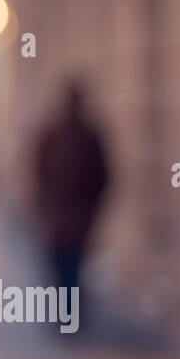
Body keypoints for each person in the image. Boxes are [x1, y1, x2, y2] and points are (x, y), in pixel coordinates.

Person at [32, 80, 111, 299]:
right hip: (65, 217)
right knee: (66, 264)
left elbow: (101, 177)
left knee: (68, 264)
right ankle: (66, 308)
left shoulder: (86, 137)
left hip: (71, 217)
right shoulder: (55, 136)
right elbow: (38, 174)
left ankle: (67, 308)